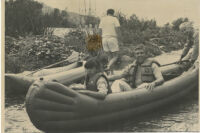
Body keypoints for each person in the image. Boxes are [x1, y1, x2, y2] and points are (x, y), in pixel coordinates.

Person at [99, 9, 121, 73]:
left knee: (109, 57)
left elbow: (99, 30)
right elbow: (118, 29)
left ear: (107, 13)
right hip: (112, 38)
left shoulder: (102, 19)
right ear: (113, 13)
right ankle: (108, 66)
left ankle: (112, 73)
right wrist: (119, 39)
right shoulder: (114, 19)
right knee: (116, 56)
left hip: (104, 39)